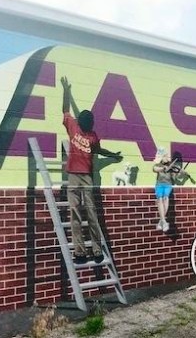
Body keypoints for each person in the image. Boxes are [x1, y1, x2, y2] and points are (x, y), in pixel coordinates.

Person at [61, 76, 123, 265]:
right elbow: (65, 109)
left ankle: (96, 250)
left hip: (86, 177)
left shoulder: (92, 136)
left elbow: (99, 151)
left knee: (91, 213)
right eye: (88, 123)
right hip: (73, 175)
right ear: (82, 122)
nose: (89, 125)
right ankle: (79, 252)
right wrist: (66, 91)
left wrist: (112, 155)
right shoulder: (73, 126)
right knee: (76, 214)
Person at [152, 147, 184, 232]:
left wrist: (180, 173)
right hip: (159, 184)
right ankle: (163, 221)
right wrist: (163, 168)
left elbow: (174, 178)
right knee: (159, 199)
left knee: (165, 198)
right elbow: (154, 169)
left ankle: (161, 221)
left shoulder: (171, 165)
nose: (167, 157)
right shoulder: (159, 164)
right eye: (165, 156)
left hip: (168, 185)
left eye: (167, 156)